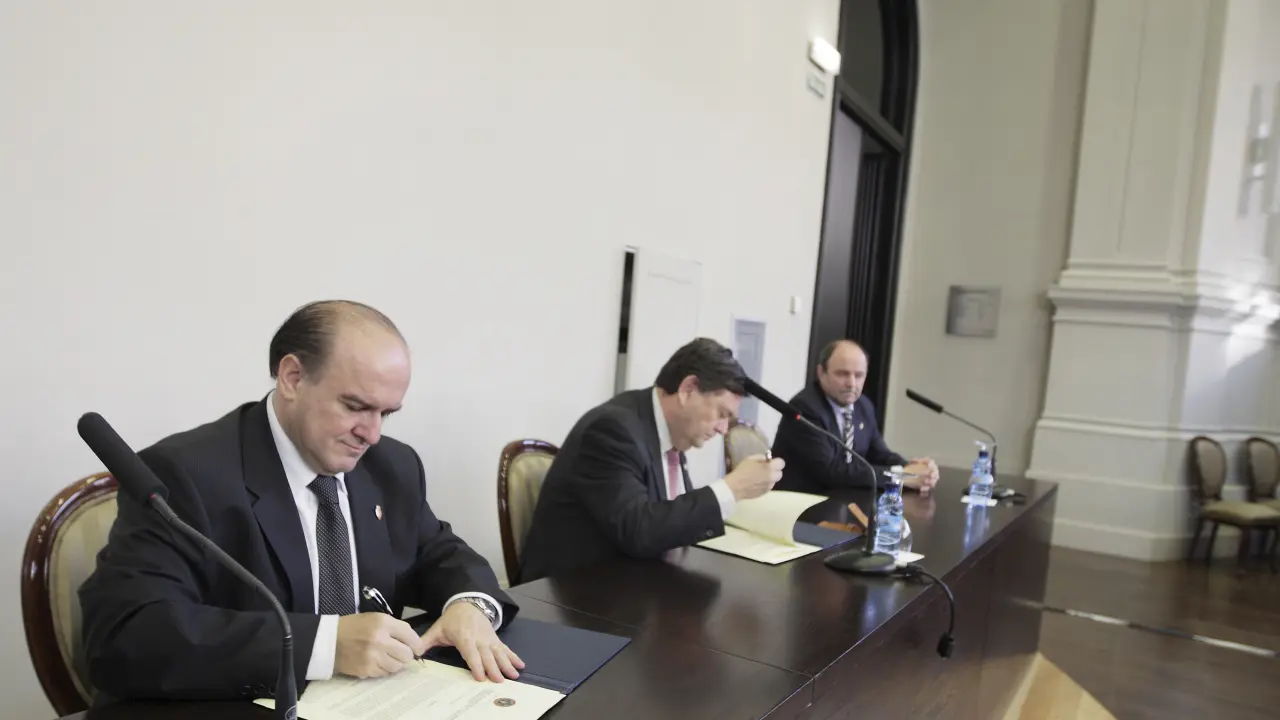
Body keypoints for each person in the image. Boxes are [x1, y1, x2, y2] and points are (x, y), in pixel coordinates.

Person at [79, 300, 523, 704]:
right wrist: (325, 644)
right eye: (355, 406)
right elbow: (127, 636)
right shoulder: (184, 475)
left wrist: (470, 606)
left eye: (385, 413)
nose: (372, 434)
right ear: (292, 378)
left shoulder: (391, 465)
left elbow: (441, 553)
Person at [518, 338, 784, 583]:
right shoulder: (613, 429)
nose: (723, 429)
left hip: (630, 582)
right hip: (570, 594)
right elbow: (638, 530)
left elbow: (668, 521)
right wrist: (731, 489)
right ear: (688, 389)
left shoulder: (672, 434)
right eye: (721, 413)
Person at [771, 339, 938, 495]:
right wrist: (901, 476)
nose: (851, 383)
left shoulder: (863, 406)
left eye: (859, 375)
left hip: (845, 500)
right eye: (842, 374)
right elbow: (831, 471)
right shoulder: (804, 408)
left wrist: (914, 469)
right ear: (822, 373)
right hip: (803, 503)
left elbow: (879, 453)